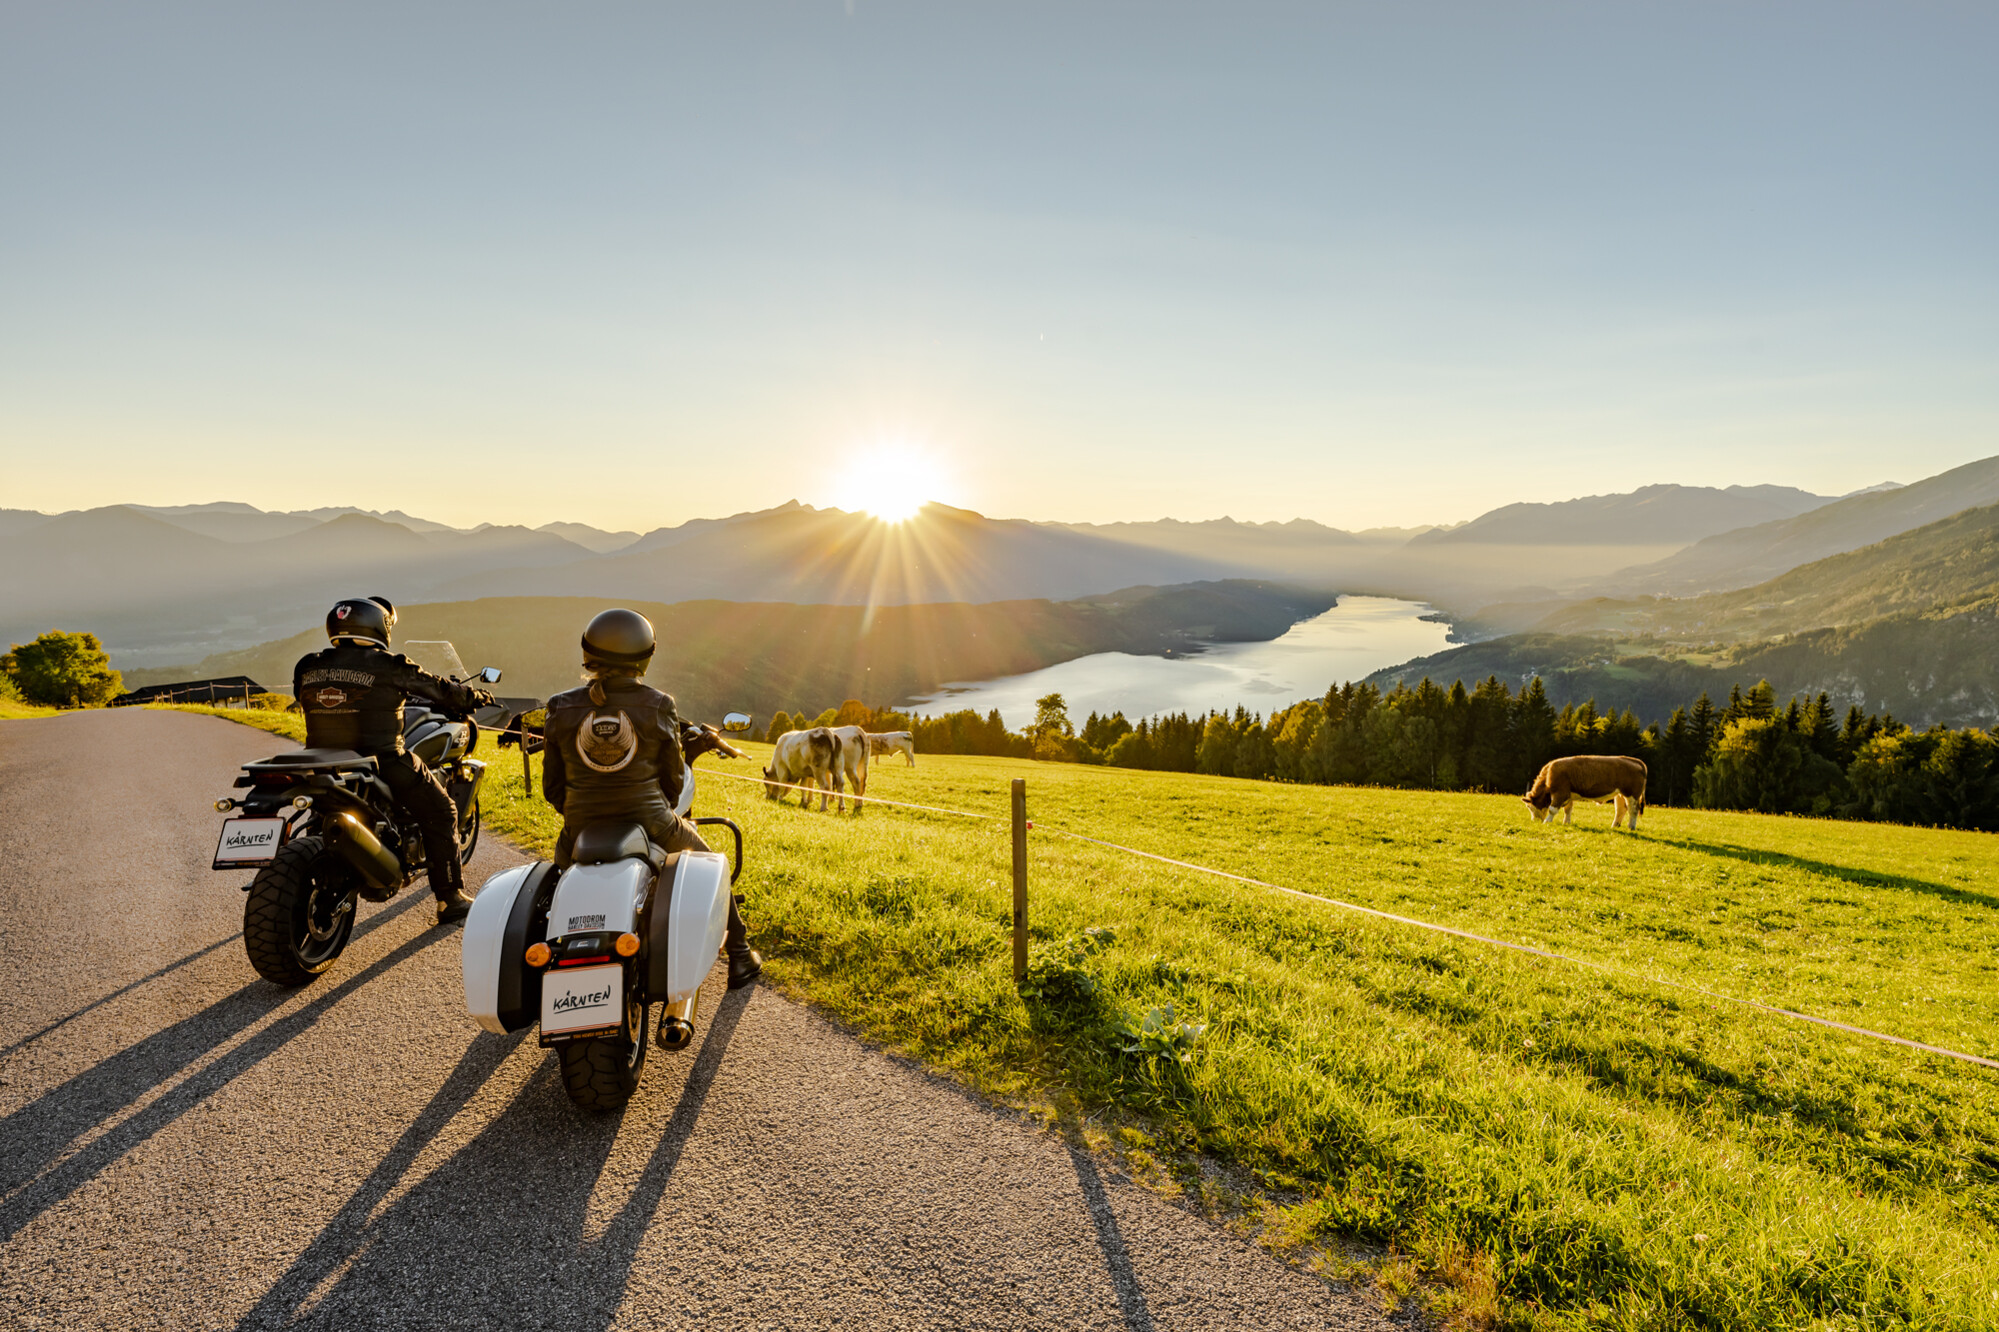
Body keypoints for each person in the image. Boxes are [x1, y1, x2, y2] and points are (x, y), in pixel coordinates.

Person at [541, 608, 762, 988]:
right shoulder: (659, 704)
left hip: (580, 826)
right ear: (644, 656)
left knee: (554, 892)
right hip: (652, 821)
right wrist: (661, 806)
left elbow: (552, 786)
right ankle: (740, 955)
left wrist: (577, 811)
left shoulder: (561, 706)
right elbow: (674, 780)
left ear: (589, 653)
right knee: (713, 865)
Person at [292, 596, 495, 925]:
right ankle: (450, 899)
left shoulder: (308, 665)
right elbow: (443, 691)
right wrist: (474, 696)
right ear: (379, 626)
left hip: (323, 763)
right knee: (443, 813)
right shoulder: (389, 665)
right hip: (383, 760)